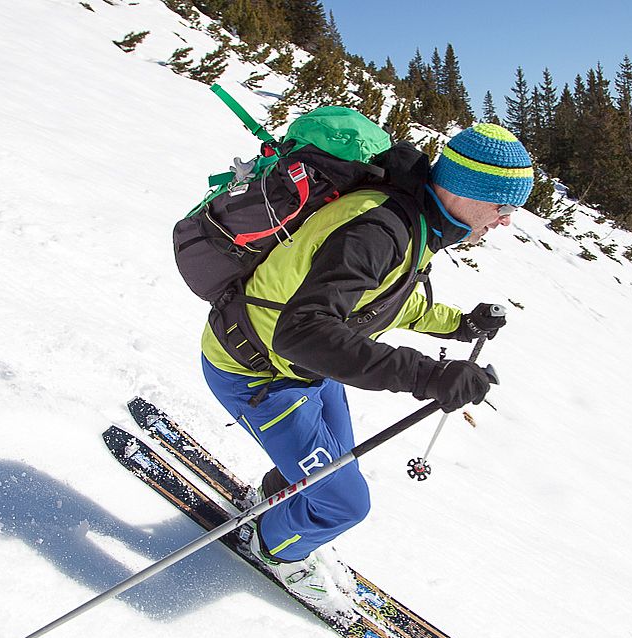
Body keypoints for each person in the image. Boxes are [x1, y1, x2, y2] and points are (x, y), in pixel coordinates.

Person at [200, 123, 534, 607]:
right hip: (256, 370)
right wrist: (429, 375)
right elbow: (304, 332)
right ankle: (274, 551)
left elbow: (388, 303)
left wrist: (461, 326)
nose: (505, 222)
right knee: (343, 503)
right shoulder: (380, 228)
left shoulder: (414, 221)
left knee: (335, 466)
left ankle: (270, 505)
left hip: (306, 369)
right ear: (466, 190)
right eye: (503, 207)